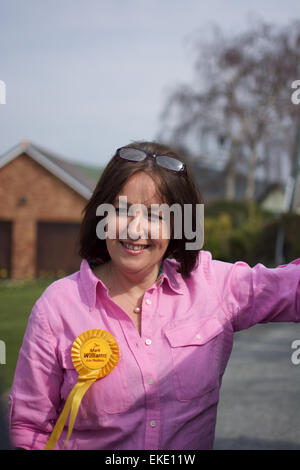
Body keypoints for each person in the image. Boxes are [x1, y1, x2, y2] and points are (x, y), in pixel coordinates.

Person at [9, 141, 300, 450]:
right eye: (122, 210)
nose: (135, 230)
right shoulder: (57, 306)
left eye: (156, 216)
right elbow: (28, 427)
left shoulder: (213, 285)